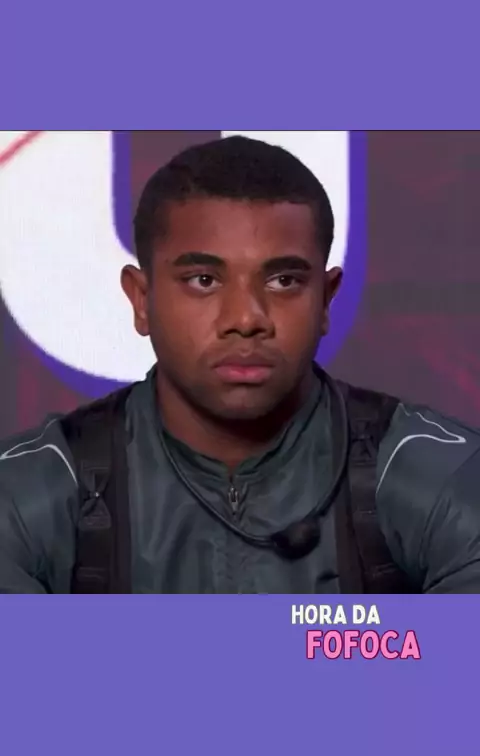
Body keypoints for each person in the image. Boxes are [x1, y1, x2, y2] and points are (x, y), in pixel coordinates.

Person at [1, 135, 480, 595]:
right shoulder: (26, 496)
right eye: (204, 280)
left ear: (326, 299)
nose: (246, 319)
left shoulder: (443, 478)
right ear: (142, 300)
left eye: (283, 281)